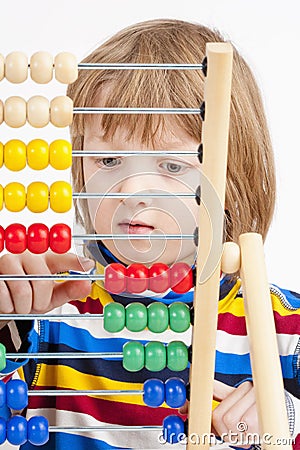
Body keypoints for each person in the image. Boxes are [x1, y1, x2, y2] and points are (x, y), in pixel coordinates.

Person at [0, 18, 298, 450]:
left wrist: (282, 421)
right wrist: (8, 322)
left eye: (173, 166)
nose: (134, 191)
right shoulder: (51, 315)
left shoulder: (284, 332)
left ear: (232, 180)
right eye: (108, 160)